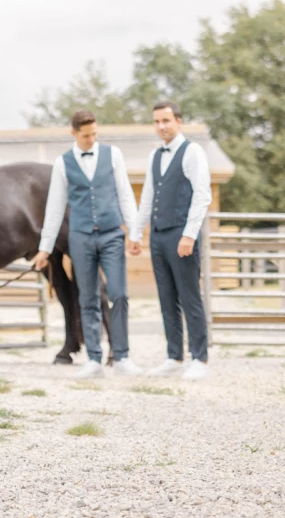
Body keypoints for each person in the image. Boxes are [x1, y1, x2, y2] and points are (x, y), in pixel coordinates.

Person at [33, 110, 142, 379]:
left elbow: (125, 194)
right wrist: (45, 248)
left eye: (94, 134)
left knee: (119, 294)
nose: (91, 139)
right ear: (74, 134)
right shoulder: (63, 163)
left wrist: (135, 232)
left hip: (111, 235)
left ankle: (123, 356)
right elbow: (55, 208)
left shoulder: (113, 155)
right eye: (85, 135)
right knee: (88, 297)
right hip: (80, 238)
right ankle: (93, 359)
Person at [136, 101, 213, 381]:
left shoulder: (192, 151)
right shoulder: (155, 156)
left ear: (178, 121)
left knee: (189, 296)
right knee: (166, 298)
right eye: (156, 121)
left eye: (166, 120)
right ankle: (174, 356)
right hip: (158, 236)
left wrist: (190, 234)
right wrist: (136, 233)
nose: (161, 126)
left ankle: (200, 358)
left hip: (182, 235)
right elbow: (147, 198)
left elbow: (202, 194)